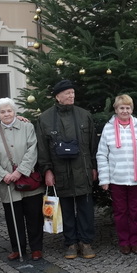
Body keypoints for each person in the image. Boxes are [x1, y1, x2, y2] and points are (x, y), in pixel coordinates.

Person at [36, 80, 98, 259]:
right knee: (66, 209)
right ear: (58, 96)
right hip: (60, 172)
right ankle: (70, 243)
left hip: (83, 170)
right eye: (67, 93)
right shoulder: (45, 119)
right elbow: (42, 148)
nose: (72, 96)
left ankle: (86, 242)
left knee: (86, 209)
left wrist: (94, 166)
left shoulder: (84, 115)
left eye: (73, 92)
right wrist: (47, 170)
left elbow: (93, 144)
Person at [0, 98, 45, 261]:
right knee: (13, 218)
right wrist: (3, 175)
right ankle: (18, 248)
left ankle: (36, 248)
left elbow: (32, 150)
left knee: (34, 216)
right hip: (8, 184)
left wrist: (19, 172)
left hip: (28, 180)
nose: (6, 114)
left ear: (14, 112)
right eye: (2, 112)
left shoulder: (27, 127)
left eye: (9, 111)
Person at [97, 94, 137, 255]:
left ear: (132, 109)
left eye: (128, 108)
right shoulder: (108, 129)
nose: (125, 111)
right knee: (120, 212)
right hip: (117, 179)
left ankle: (135, 242)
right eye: (121, 108)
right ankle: (124, 242)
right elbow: (102, 155)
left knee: (135, 212)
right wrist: (104, 179)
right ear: (116, 110)